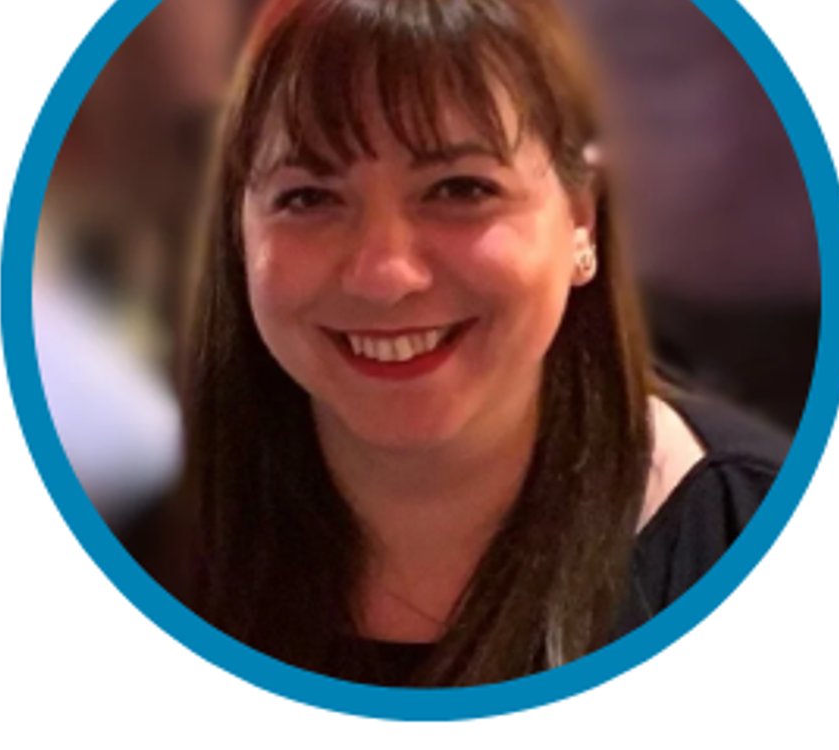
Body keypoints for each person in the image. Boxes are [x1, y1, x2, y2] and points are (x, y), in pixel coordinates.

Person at [124, 0, 790, 687]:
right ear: (241, 233)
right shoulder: (135, 562)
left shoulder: (755, 535)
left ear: (582, 220)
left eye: (460, 189)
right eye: (309, 197)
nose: (384, 276)